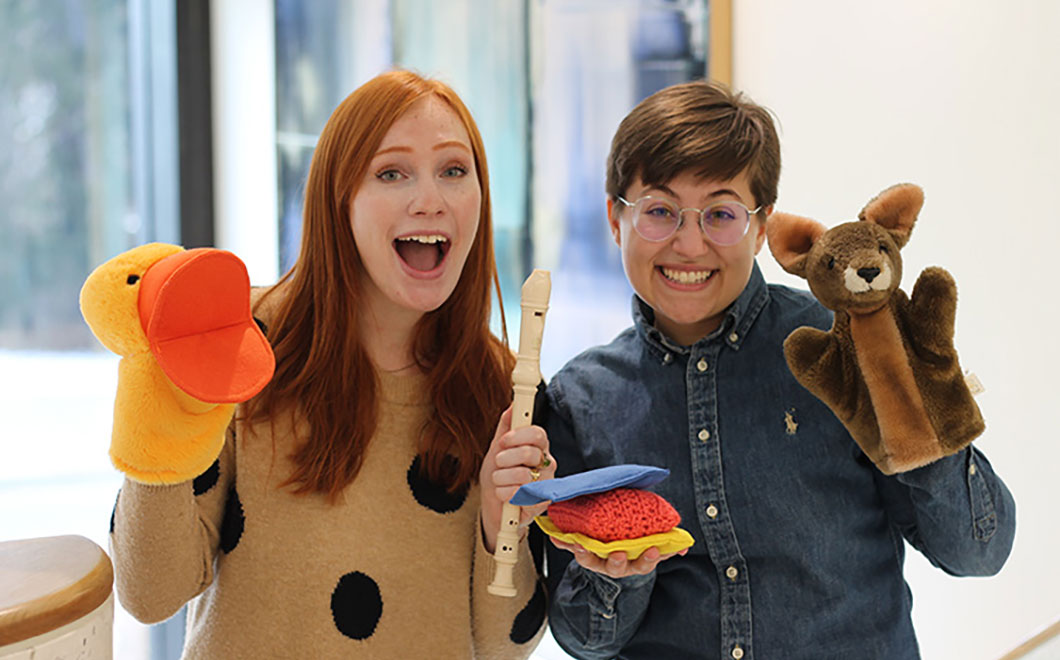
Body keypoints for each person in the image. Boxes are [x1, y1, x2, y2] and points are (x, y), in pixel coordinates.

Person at [540, 80, 1015, 659]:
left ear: (763, 226)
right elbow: (583, 639)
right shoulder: (578, 400)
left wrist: (929, 415)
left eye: (721, 213)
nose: (690, 245)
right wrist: (617, 573)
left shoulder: (843, 350)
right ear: (616, 219)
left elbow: (978, 553)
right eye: (660, 211)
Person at [108, 69, 554, 658]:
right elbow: (148, 592)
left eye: (454, 171)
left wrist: (504, 523)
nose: (430, 200)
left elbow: (503, 645)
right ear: (337, 200)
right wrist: (159, 400)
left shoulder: (504, 386)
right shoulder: (242, 343)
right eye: (391, 173)